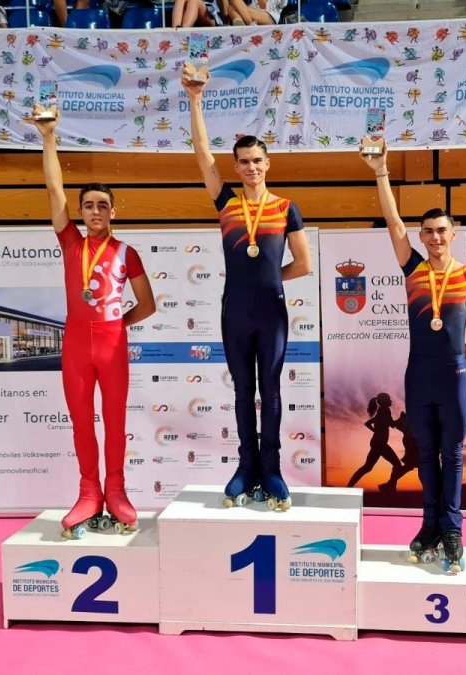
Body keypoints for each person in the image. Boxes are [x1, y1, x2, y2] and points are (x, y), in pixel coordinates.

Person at [359, 138, 466, 573]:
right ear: (422, 237)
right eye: (428, 232)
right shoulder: (413, 270)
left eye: (442, 230)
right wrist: (381, 171)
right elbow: (392, 223)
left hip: (454, 376)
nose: (436, 237)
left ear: (453, 233)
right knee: (425, 454)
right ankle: (428, 525)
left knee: (454, 455)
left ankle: (453, 529)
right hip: (418, 376)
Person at [182, 63, 312, 512]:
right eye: (244, 162)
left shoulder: (285, 208)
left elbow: (305, 264)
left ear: (267, 163)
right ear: (236, 167)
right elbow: (201, 153)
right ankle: (245, 467)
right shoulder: (226, 202)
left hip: (270, 311)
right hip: (234, 310)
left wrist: (271, 280)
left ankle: (272, 469)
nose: (251, 167)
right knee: (241, 391)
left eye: (258, 160)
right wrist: (195, 98)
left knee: (270, 391)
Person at [31, 105, 156, 539]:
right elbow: (53, 188)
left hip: (111, 342)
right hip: (76, 346)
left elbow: (148, 305)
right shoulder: (70, 242)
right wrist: (49, 138)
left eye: (103, 205)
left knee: (116, 420)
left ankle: (116, 491)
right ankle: (88, 492)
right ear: (81, 212)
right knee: (81, 420)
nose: (96, 211)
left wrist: (117, 324)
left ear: (114, 212)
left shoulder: (127, 252)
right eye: (89, 205)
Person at [347, 393, 403, 489]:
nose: (391, 401)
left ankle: (349, 487)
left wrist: (376, 431)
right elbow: (389, 424)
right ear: (384, 401)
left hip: (377, 443)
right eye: (389, 399)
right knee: (397, 465)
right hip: (380, 443)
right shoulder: (384, 410)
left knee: (367, 467)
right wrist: (401, 419)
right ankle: (389, 488)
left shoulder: (383, 411)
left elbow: (371, 423)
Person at [378, 410, 419, 493]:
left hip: (411, 440)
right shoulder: (411, 415)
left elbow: (394, 424)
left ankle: (388, 484)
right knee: (412, 466)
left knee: (411, 466)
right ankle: (388, 485)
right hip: (412, 440)